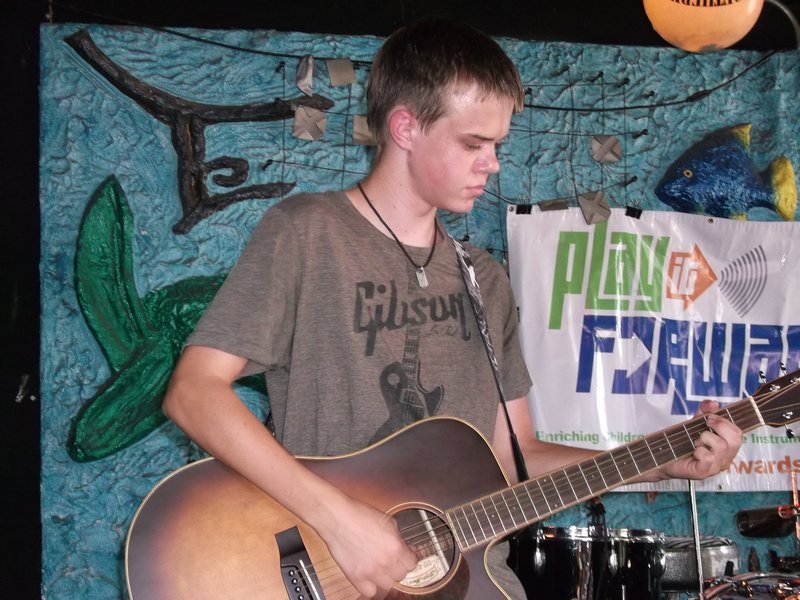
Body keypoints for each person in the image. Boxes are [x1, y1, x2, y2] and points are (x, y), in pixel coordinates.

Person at [163, 18, 742, 599]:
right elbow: (193, 392)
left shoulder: (483, 278)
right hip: (332, 573)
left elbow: (514, 459)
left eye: (497, 146)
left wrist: (659, 461)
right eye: (473, 144)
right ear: (406, 128)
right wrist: (340, 521)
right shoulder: (308, 232)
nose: (492, 164)